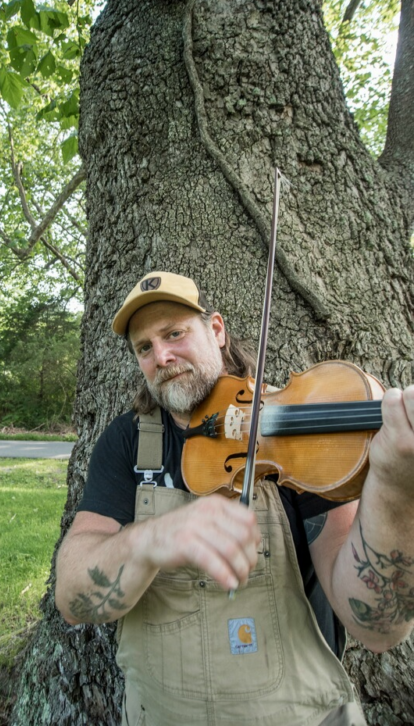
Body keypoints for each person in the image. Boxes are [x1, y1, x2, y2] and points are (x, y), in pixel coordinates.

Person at [55, 271, 414, 726]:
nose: (161, 355)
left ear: (217, 331)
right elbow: (71, 598)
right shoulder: (127, 443)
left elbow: (378, 627)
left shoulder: (297, 439)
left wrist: (395, 490)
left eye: (174, 333)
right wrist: (149, 540)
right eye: (144, 347)